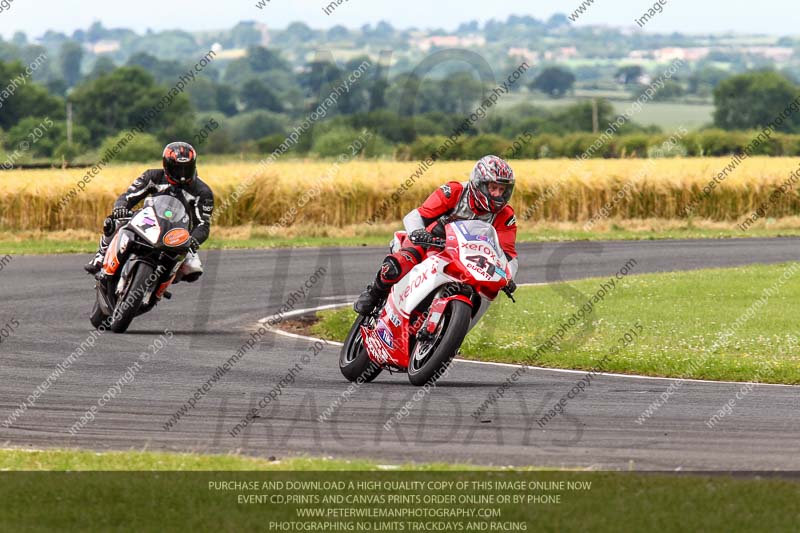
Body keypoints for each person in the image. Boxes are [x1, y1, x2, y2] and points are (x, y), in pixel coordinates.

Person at [354, 155, 519, 315]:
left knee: (480, 291)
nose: (497, 194)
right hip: (431, 241)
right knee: (401, 263)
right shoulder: (454, 191)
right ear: (479, 183)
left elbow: (508, 255)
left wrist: (508, 277)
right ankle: (374, 294)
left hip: (467, 257)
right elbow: (416, 215)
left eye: (501, 189)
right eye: (493, 188)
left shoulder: (506, 215)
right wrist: (418, 232)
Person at [84, 141, 214, 283]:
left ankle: (159, 285)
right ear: (166, 165)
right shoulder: (153, 176)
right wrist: (121, 208)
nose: (181, 175)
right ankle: (100, 257)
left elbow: (203, 224)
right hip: (149, 221)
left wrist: (193, 240)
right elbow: (128, 196)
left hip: (176, 235)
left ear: (193, 165)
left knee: (193, 271)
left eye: (186, 169)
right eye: (177, 169)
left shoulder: (203, 192)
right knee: (114, 221)